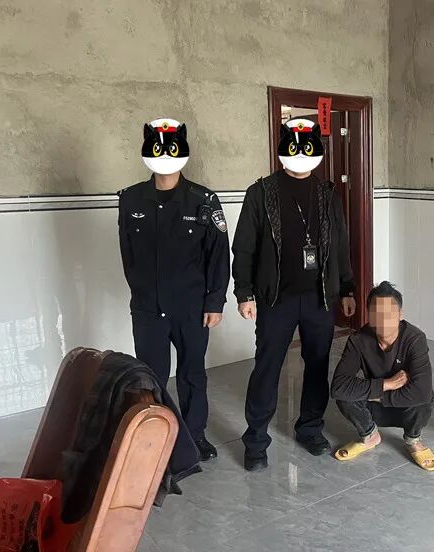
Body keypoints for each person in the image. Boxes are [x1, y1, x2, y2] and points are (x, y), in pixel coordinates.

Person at [232, 118, 356, 472]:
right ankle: (256, 440)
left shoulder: (327, 194)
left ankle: (310, 428)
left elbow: (341, 245)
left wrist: (346, 287)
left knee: (317, 366)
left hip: (319, 299)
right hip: (276, 299)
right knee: (267, 367)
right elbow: (244, 246)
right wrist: (244, 292)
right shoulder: (260, 193)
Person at [118, 118, 230, 462]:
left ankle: (194, 436)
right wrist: (141, 294)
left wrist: (215, 302)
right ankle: (157, 442)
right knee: (150, 379)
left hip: (191, 307)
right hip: (148, 309)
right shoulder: (131, 199)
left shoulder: (204, 200)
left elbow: (218, 256)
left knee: (192, 374)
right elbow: (127, 254)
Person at [331, 282, 434, 471]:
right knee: (344, 397)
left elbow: (422, 392)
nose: (383, 320)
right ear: (369, 315)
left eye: (389, 313)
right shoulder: (358, 340)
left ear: (400, 314)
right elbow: (338, 387)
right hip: (375, 407)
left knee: (426, 399)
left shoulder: (415, 338)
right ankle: (369, 435)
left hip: (405, 407)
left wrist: (376, 394)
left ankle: (413, 439)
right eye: (376, 313)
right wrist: (386, 384)